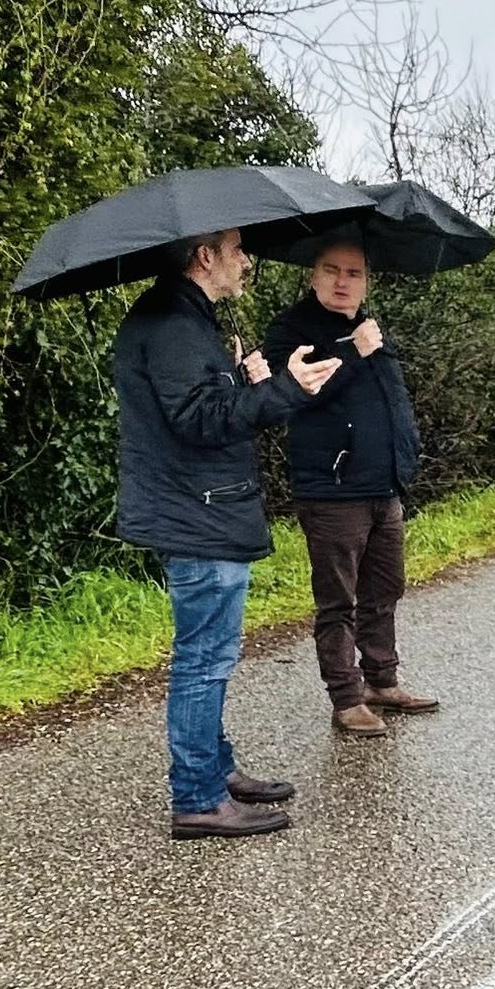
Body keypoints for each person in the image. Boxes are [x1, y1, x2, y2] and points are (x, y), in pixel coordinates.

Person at [112, 228, 341, 840]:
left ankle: (214, 770)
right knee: (204, 660)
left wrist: (246, 381)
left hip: (200, 507)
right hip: (198, 515)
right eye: (237, 249)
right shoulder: (174, 325)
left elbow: (197, 407)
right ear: (205, 256)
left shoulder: (180, 319)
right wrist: (286, 390)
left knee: (208, 655)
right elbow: (200, 421)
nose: (246, 260)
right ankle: (198, 797)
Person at [262, 239, 437, 738]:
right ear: (313, 275)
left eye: (354, 273)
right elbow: (295, 396)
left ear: (366, 280)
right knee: (337, 600)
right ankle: (345, 697)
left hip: (383, 485)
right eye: (332, 270)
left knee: (386, 587)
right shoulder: (291, 330)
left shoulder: (370, 329)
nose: (343, 281)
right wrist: (354, 353)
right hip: (331, 489)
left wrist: (406, 452)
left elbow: (393, 396)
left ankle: (382, 680)